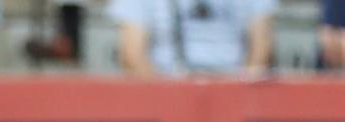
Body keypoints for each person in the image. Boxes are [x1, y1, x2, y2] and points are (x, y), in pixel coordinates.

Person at [111, 0, 272, 74]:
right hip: (166, 85)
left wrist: (240, 94)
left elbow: (261, 47)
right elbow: (132, 54)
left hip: (232, 84)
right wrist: (162, 98)